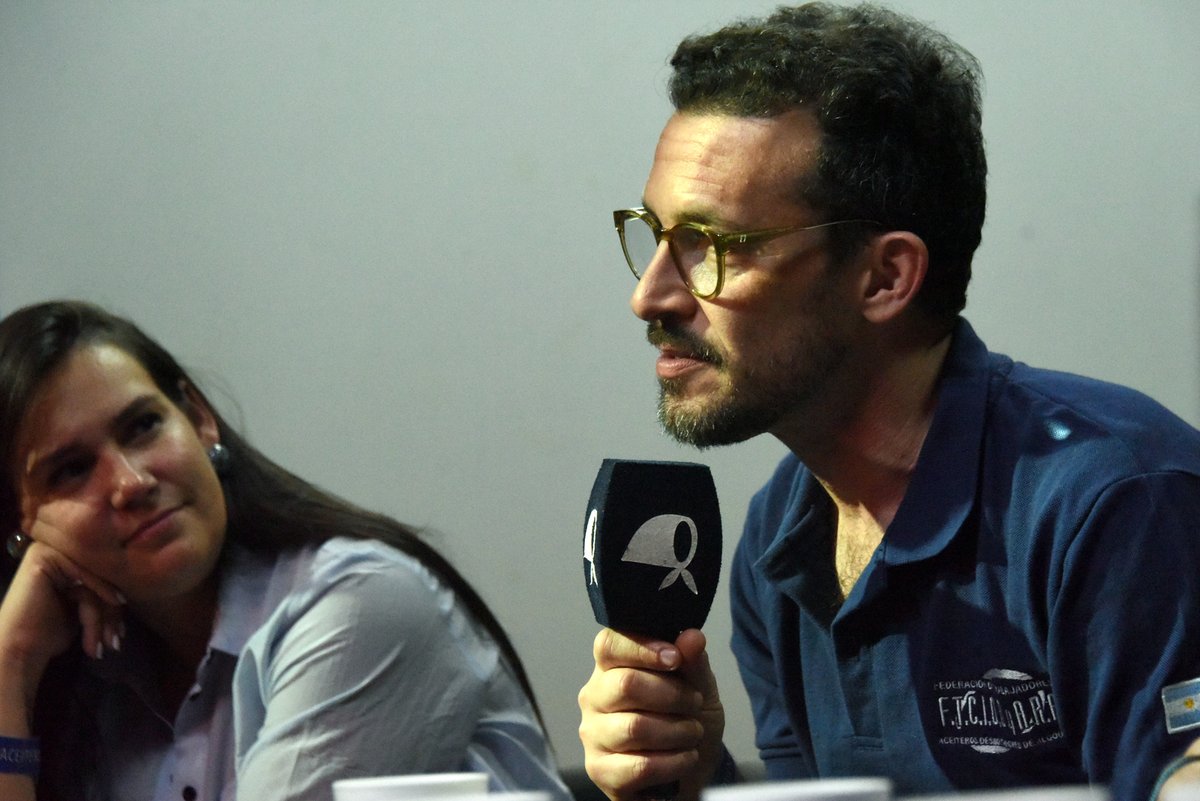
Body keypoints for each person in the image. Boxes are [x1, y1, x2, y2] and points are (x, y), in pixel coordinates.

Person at [576, 4, 1200, 800]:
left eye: (710, 246)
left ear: (885, 278)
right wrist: (694, 775)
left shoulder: (1115, 504)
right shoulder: (780, 538)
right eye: (655, 235)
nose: (649, 295)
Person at [0, 300, 570, 801]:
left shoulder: (359, 605)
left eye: (143, 426)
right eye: (71, 470)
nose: (131, 482)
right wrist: (11, 660)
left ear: (199, 419)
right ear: (19, 524)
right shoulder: (89, 684)